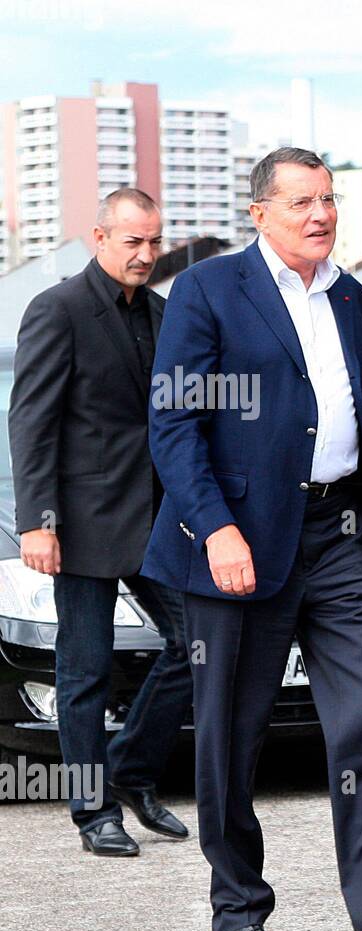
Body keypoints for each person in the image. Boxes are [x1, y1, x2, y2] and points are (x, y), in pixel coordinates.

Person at [144, 147, 362, 931]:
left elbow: (351, 418)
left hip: (341, 540)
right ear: (260, 212)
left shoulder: (353, 296)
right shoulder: (209, 289)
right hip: (240, 545)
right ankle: (238, 910)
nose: (320, 215)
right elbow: (174, 424)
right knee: (231, 735)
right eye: (301, 202)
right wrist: (217, 529)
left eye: (329, 200)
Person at [9, 188, 191, 856]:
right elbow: (30, 422)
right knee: (82, 671)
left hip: (158, 522)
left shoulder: (166, 314)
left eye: (154, 242)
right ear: (100, 237)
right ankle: (92, 810)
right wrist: (38, 521)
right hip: (81, 523)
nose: (146, 254)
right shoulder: (57, 310)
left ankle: (134, 775)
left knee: (194, 645)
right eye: (133, 241)